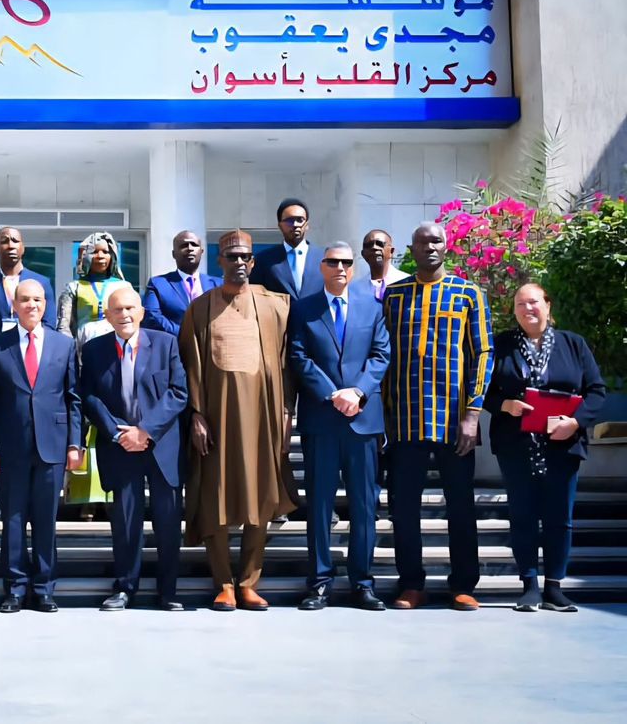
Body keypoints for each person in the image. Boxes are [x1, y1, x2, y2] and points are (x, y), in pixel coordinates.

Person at [179, 230, 296, 611]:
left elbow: (288, 365)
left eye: (246, 256)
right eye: (232, 257)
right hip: (216, 420)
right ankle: (224, 584)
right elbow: (189, 366)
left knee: (260, 498)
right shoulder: (200, 308)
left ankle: (248, 582)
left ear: (253, 261)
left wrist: (286, 411)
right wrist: (196, 415)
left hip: (263, 417)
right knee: (215, 499)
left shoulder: (276, 306)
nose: (240, 263)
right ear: (220, 261)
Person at [382, 222, 493, 611]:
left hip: (454, 420)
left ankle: (463, 585)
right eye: (422, 242)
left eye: (437, 241)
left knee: (460, 506)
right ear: (411, 249)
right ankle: (411, 584)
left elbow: (483, 352)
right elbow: (382, 354)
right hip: (405, 419)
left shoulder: (468, 293)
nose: (430, 247)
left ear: (447, 247)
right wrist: (384, 414)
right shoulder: (394, 296)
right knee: (404, 509)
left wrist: (473, 413)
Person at [484, 283, 606, 612]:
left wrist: (576, 423)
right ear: (514, 311)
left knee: (559, 518)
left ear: (548, 306)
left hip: (562, 445)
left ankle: (554, 587)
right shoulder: (501, 346)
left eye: (534, 302)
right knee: (522, 515)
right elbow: (482, 389)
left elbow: (596, 391)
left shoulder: (573, 344)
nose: (528, 309)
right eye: (520, 304)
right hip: (516, 445)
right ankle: (529, 586)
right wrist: (504, 405)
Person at [288, 243, 390, 611]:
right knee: (319, 505)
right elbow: (299, 356)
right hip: (322, 419)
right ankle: (319, 583)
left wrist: (358, 392)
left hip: (363, 421)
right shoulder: (303, 308)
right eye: (333, 262)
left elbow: (381, 355)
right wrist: (334, 394)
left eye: (347, 262)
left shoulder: (372, 307)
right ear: (322, 266)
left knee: (364, 505)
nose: (341, 268)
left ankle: (362, 583)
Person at [0, 279, 82, 613]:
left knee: (46, 521)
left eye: (37, 299)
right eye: (25, 300)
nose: (32, 305)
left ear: (45, 304)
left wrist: (74, 444)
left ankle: (44, 588)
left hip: (53, 446)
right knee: (13, 521)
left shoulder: (64, 345)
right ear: (14, 305)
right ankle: (15, 589)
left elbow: (73, 399)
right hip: (11, 448)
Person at [79, 289, 188, 612]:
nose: (124, 314)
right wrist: (117, 432)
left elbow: (178, 392)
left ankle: (168, 592)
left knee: (168, 523)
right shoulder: (95, 349)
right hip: (120, 447)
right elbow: (89, 396)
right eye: (117, 309)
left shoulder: (166, 344)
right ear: (107, 316)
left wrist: (145, 431)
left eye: (129, 308)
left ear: (141, 312)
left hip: (161, 446)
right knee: (126, 523)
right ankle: (125, 588)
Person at [0, 226, 56, 523]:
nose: (10, 244)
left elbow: (50, 322)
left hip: (31, 359)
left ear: (24, 247)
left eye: (15, 240)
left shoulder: (41, 282)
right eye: (4, 240)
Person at [57, 231, 134, 512]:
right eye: (95, 251)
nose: (100, 256)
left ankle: (112, 495)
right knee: (85, 422)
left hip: (117, 359)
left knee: (113, 420)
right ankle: (84, 498)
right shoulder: (74, 287)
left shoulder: (123, 286)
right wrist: (68, 361)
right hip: (82, 357)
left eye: (105, 251)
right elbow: (64, 326)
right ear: (85, 256)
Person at [142, 230, 222, 336]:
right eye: (184, 245)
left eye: (194, 245)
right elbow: (152, 317)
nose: (190, 248)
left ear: (201, 252)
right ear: (174, 254)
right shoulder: (158, 284)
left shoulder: (219, 284)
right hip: (176, 343)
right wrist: (186, 335)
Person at [249, 197, 325, 301]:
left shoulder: (324, 258)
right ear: (280, 225)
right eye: (289, 220)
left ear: (307, 224)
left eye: (300, 220)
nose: (295, 225)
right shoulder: (263, 260)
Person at [358, 228, 409, 302]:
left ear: (391, 251)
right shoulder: (355, 289)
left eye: (380, 244)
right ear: (363, 254)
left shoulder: (407, 282)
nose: (374, 247)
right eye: (368, 245)